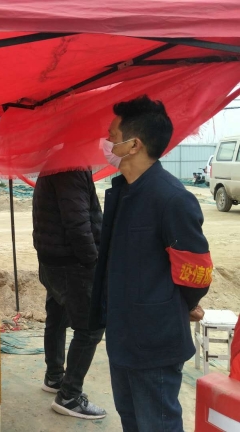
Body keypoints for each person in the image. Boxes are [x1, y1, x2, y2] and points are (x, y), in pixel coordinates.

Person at [90, 95, 211, 431]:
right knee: (131, 419)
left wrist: (178, 306)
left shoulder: (172, 198)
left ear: (134, 145)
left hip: (155, 340)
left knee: (157, 423)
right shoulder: (123, 191)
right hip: (124, 334)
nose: (107, 142)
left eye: (113, 136)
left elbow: (197, 273)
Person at [32, 169, 106, 419]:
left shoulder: (54, 164)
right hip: (73, 263)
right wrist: (93, 261)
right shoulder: (71, 169)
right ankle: (70, 396)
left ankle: (54, 377)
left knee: (57, 316)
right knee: (90, 328)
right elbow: (77, 223)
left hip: (53, 258)